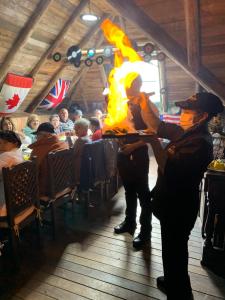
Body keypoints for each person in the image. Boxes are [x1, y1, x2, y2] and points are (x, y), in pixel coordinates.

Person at [136, 92, 224, 299]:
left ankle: (180, 293)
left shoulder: (200, 142)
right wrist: (143, 102)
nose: (182, 114)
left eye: (186, 111)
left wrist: (155, 144)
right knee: (171, 250)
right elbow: (157, 124)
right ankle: (172, 280)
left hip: (178, 208)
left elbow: (171, 169)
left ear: (202, 116)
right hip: (170, 203)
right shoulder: (185, 133)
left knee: (175, 251)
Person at [114, 75, 155, 249]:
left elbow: (153, 132)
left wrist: (133, 147)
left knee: (143, 193)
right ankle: (129, 222)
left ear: (137, 85)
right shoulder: (121, 103)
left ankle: (145, 231)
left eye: (129, 85)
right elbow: (116, 127)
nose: (125, 89)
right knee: (128, 190)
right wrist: (119, 141)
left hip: (138, 154)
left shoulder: (147, 104)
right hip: (123, 154)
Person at [29, 122, 68, 196]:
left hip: (46, 189)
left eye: (38, 135)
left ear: (46, 135)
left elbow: (33, 172)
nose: (36, 138)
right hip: (64, 184)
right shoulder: (64, 145)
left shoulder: (39, 149)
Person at [0, 131, 23, 212]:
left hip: (7, 205)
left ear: (15, 143)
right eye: (0, 143)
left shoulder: (6, 156)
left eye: (5, 143)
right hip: (22, 199)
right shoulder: (18, 153)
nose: (1, 146)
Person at [73, 118, 91, 184]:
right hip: (87, 167)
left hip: (79, 168)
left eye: (77, 129)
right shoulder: (88, 138)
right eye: (75, 129)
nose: (75, 131)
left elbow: (73, 154)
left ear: (85, 129)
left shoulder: (80, 140)